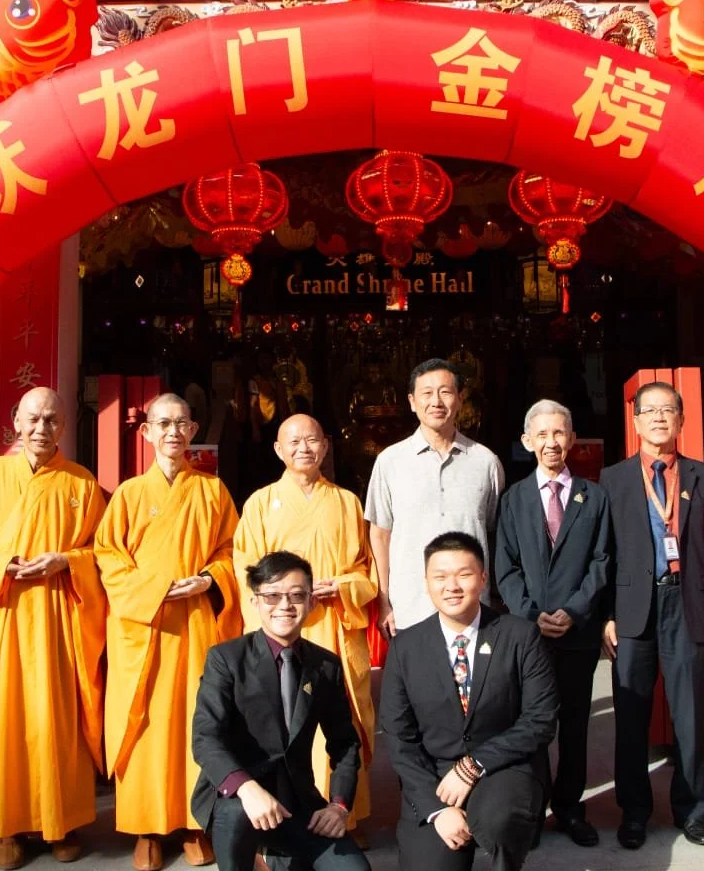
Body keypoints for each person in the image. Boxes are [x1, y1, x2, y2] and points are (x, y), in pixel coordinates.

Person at [0, 387, 108, 869]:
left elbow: (103, 553)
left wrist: (65, 560)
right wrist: (5, 562)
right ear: (15, 423)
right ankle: (9, 827)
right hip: (5, 616)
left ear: (64, 427)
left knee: (58, 720)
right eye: (33, 419)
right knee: (8, 723)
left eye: (51, 420)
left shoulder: (82, 483)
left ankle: (62, 822)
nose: (42, 428)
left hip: (60, 616)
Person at [94, 392, 243, 871]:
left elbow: (231, 552)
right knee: (144, 725)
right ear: (147, 432)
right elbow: (109, 561)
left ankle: (195, 822)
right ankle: (145, 827)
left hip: (198, 621)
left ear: (194, 430)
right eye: (164, 424)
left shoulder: (212, 491)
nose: (173, 432)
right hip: (144, 629)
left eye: (182, 424)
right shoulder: (129, 495)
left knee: (199, 722)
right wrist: (157, 589)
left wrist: (209, 580)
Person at [598, 381, 704, 849]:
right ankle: (634, 811)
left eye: (667, 410)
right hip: (634, 608)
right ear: (634, 421)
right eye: (648, 411)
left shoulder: (700, 476)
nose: (658, 418)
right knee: (631, 714)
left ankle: (693, 810)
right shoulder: (612, 479)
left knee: (690, 715)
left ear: (681, 420)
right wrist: (606, 615)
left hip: (687, 603)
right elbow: (604, 553)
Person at [379, 532, 558, 871]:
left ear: (483, 577)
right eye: (440, 577)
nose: (452, 586)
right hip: (436, 776)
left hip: (503, 766)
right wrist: (436, 808)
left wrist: (474, 764)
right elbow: (400, 738)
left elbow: (541, 718)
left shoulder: (520, 635)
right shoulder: (406, 648)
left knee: (500, 820)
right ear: (426, 582)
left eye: (464, 574)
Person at [233, 414, 378, 833]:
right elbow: (245, 568)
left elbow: (366, 571)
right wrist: (278, 604)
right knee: (281, 721)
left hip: (333, 625)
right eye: (293, 441)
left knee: (340, 719)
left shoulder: (347, 502)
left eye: (312, 439)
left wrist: (343, 585)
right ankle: (282, 819)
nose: (304, 448)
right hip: (281, 631)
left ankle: (345, 815)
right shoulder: (260, 503)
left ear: (325, 446)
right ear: (278, 450)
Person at [192, 551, 371, 871]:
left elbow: (345, 742)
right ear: (255, 602)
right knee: (237, 814)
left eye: (296, 595)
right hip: (238, 802)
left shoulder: (325, 665)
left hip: (297, 803)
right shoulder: (226, 659)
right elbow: (206, 738)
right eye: (272, 596)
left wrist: (339, 806)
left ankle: (278, 857)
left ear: (311, 602)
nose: (285, 606)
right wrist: (245, 788)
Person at [494, 399, 611, 847]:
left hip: (577, 634)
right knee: (533, 725)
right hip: (529, 636)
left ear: (572, 438)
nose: (550, 443)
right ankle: (533, 809)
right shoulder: (514, 500)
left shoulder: (593, 497)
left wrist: (575, 611)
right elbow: (504, 567)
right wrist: (529, 615)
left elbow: (602, 563)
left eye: (558, 433)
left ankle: (570, 808)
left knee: (576, 725)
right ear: (527, 442)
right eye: (541, 435)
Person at [365, 358, 505, 636]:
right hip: (410, 607)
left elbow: (493, 531)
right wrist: (384, 602)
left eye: (445, 392)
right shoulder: (390, 461)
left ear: (461, 398)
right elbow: (379, 535)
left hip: (472, 608)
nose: (436, 401)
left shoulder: (485, 461)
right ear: (412, 401)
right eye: (426, 393)